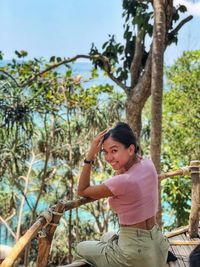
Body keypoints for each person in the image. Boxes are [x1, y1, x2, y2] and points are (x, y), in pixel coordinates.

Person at [69, 122, 169, 267]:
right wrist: (118, 158)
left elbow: (82, 190)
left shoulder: (122, 182)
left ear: (130, 149)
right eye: (105, 152)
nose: (108, 158)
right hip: (158, 247)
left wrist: (90, 155)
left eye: (114, 151)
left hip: (136, 255)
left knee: (80, 248)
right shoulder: (147, 164)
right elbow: (124, 171)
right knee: (105, 237)